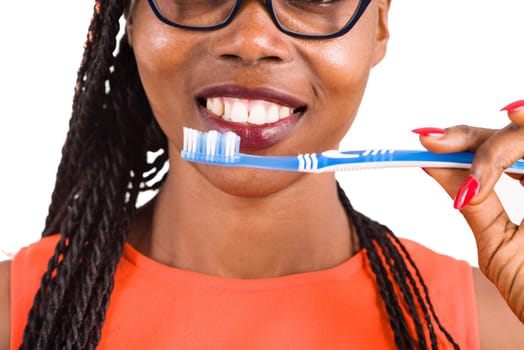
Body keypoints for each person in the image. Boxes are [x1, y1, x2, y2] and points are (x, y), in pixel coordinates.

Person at [1, 0, 523, 348]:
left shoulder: (494, 325)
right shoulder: (14, 315)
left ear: (379, 25)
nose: (251, 41)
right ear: (132, 17)